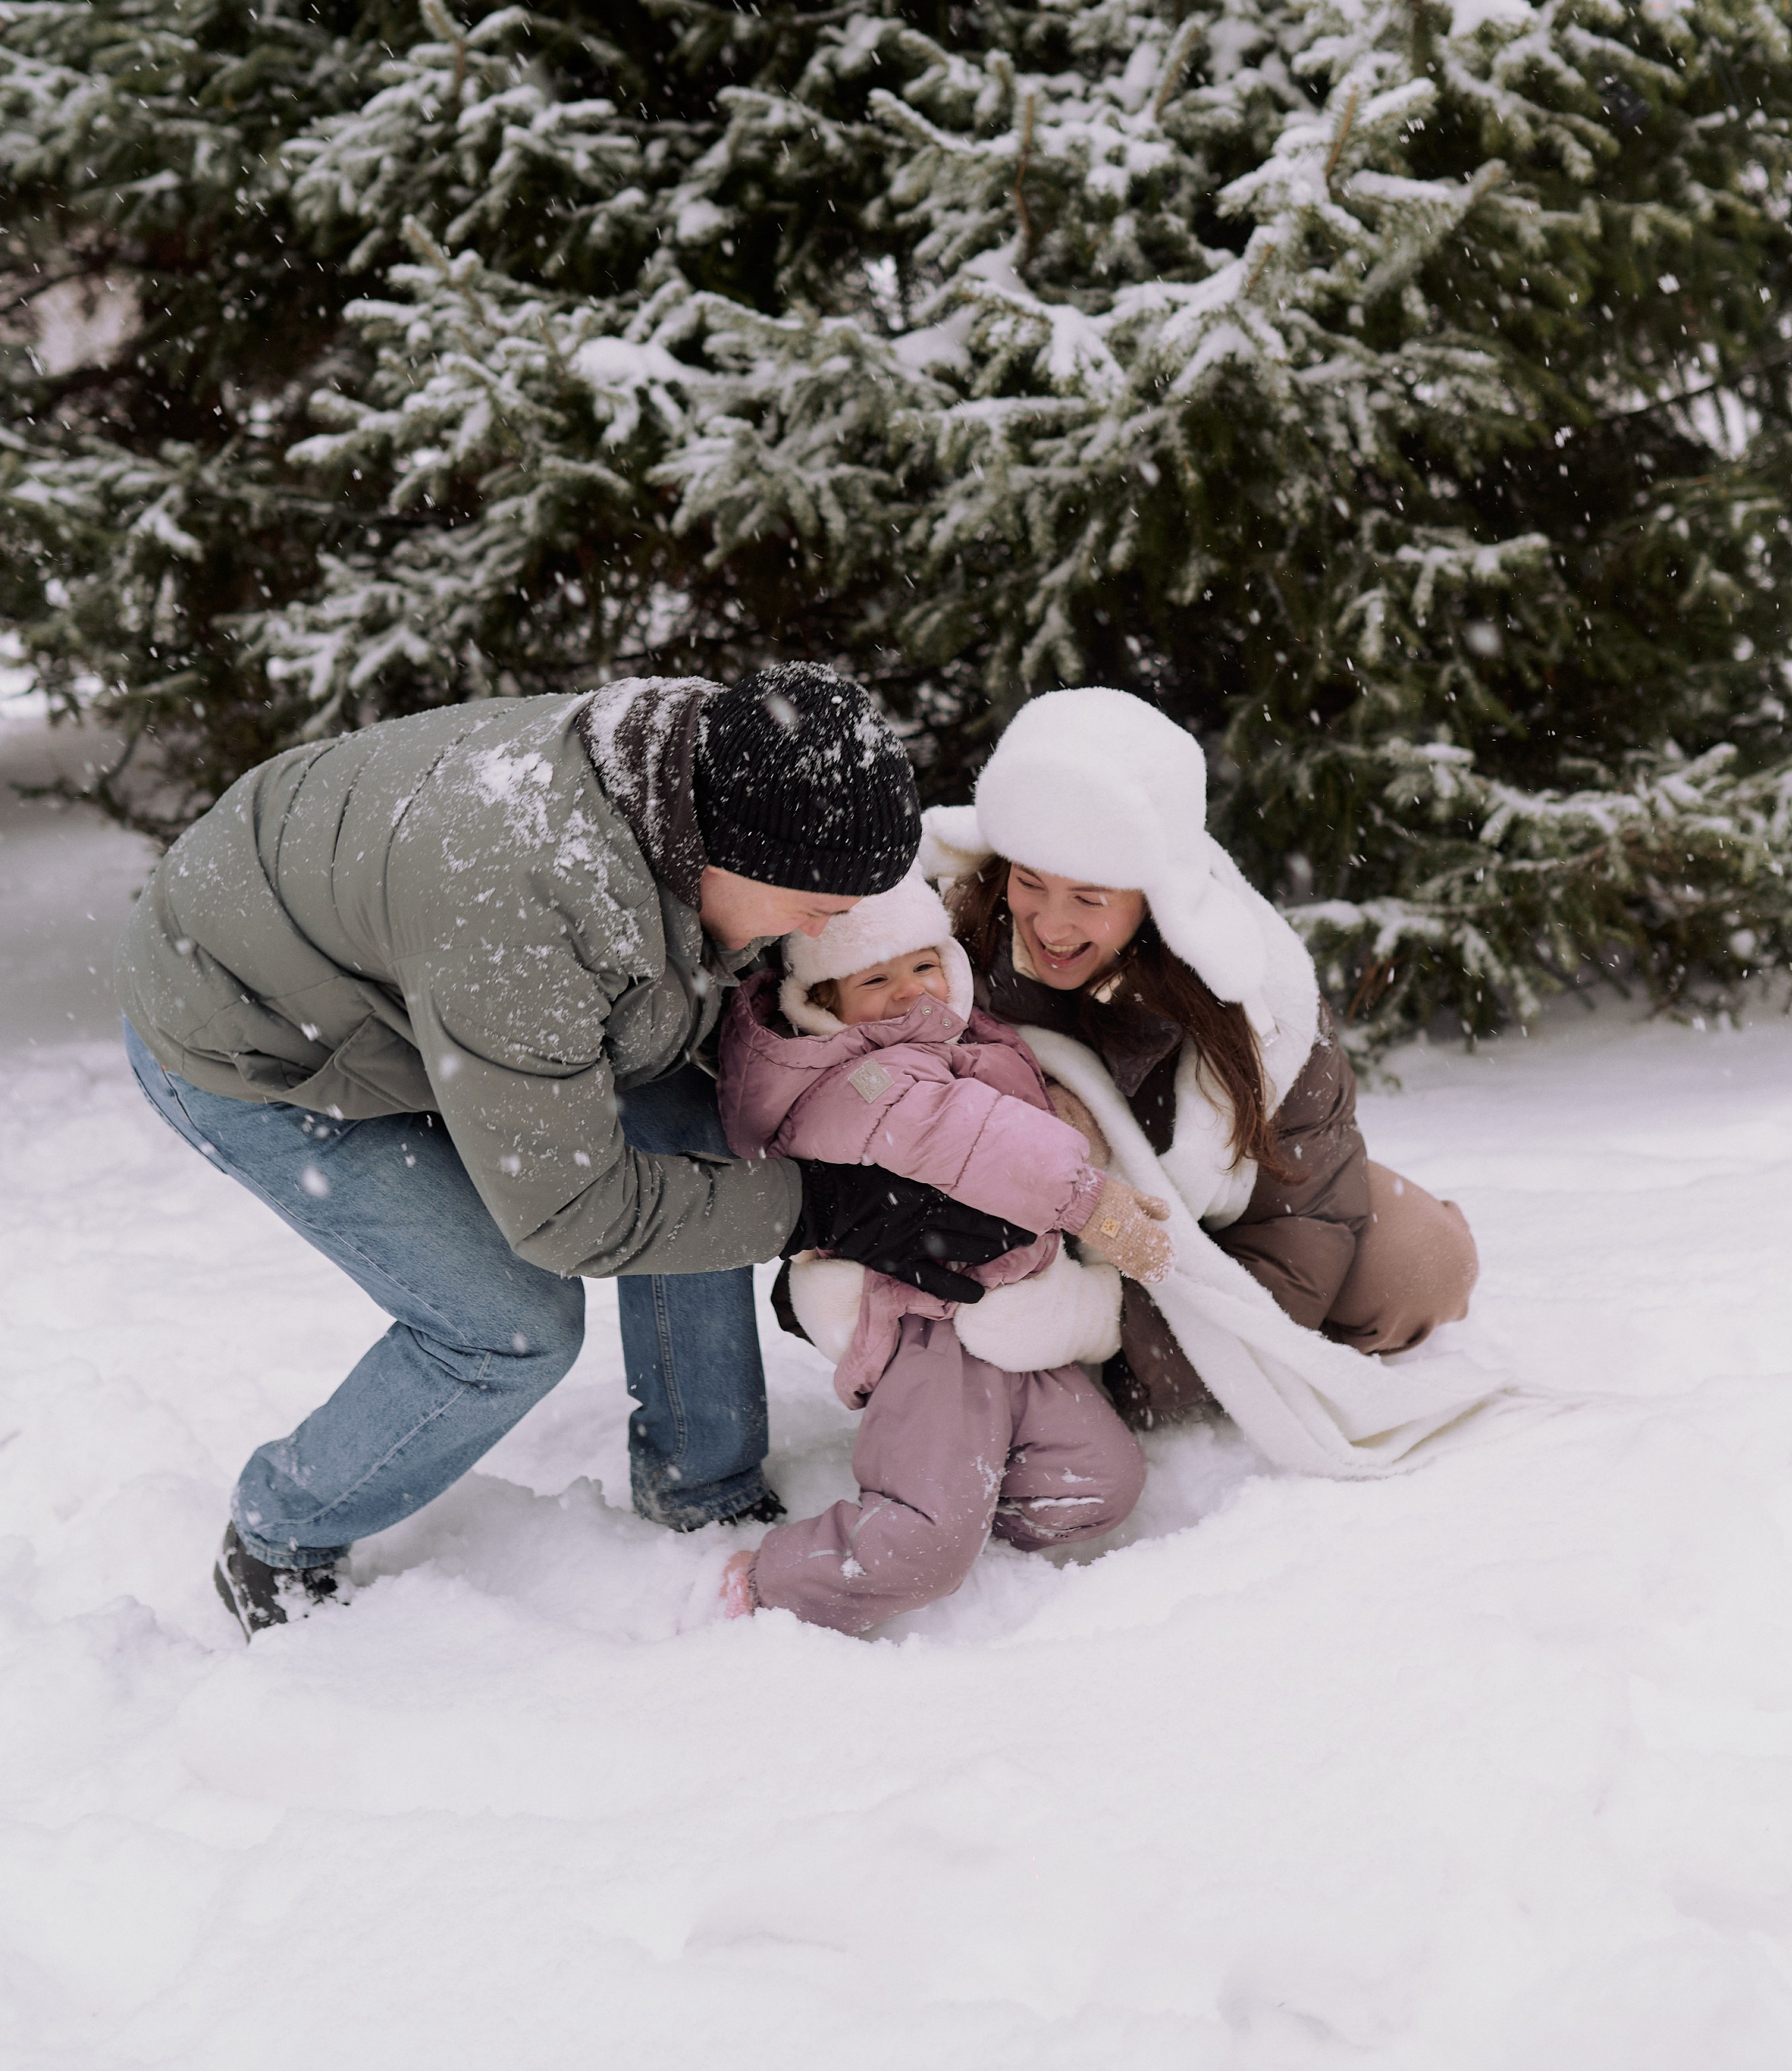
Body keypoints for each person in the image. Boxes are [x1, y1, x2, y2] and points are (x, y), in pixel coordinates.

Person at [116, 664, 980, 1634]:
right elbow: (574, 1214)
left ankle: (703, 1484)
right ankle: (283, 1529)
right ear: (725, 855)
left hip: (414, 980)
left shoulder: (697, 776)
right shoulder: (518, 908)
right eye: (812, 904)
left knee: (700, 1140)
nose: (827, 930)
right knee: (508, 1325)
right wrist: (824, 1205)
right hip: (249, 1033)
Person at [923, 689, 1480, 1429]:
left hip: (1226, 1218)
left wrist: (1117, 1348)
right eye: (1029, 883)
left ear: (1153, 897)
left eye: (1089, 898)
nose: (1051, 923)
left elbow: (1301, 1228)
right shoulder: (937, 951)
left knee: (1417, 1259)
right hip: (1038, 1227)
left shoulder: (1256, 998)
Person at [709, 870, 1162, 1633]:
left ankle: (963, 1490)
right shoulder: (862, 1074)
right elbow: (963, 1132)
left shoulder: (958, 1037)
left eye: (921, 966)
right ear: (823, 1003)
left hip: (1011, 1308)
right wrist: (1091, 1201)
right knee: (920, 1544)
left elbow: (1007, 1112)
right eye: (873, 978)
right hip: (928, 1321)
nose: (906, 991)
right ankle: (777, 1579)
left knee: (1097, 1482)